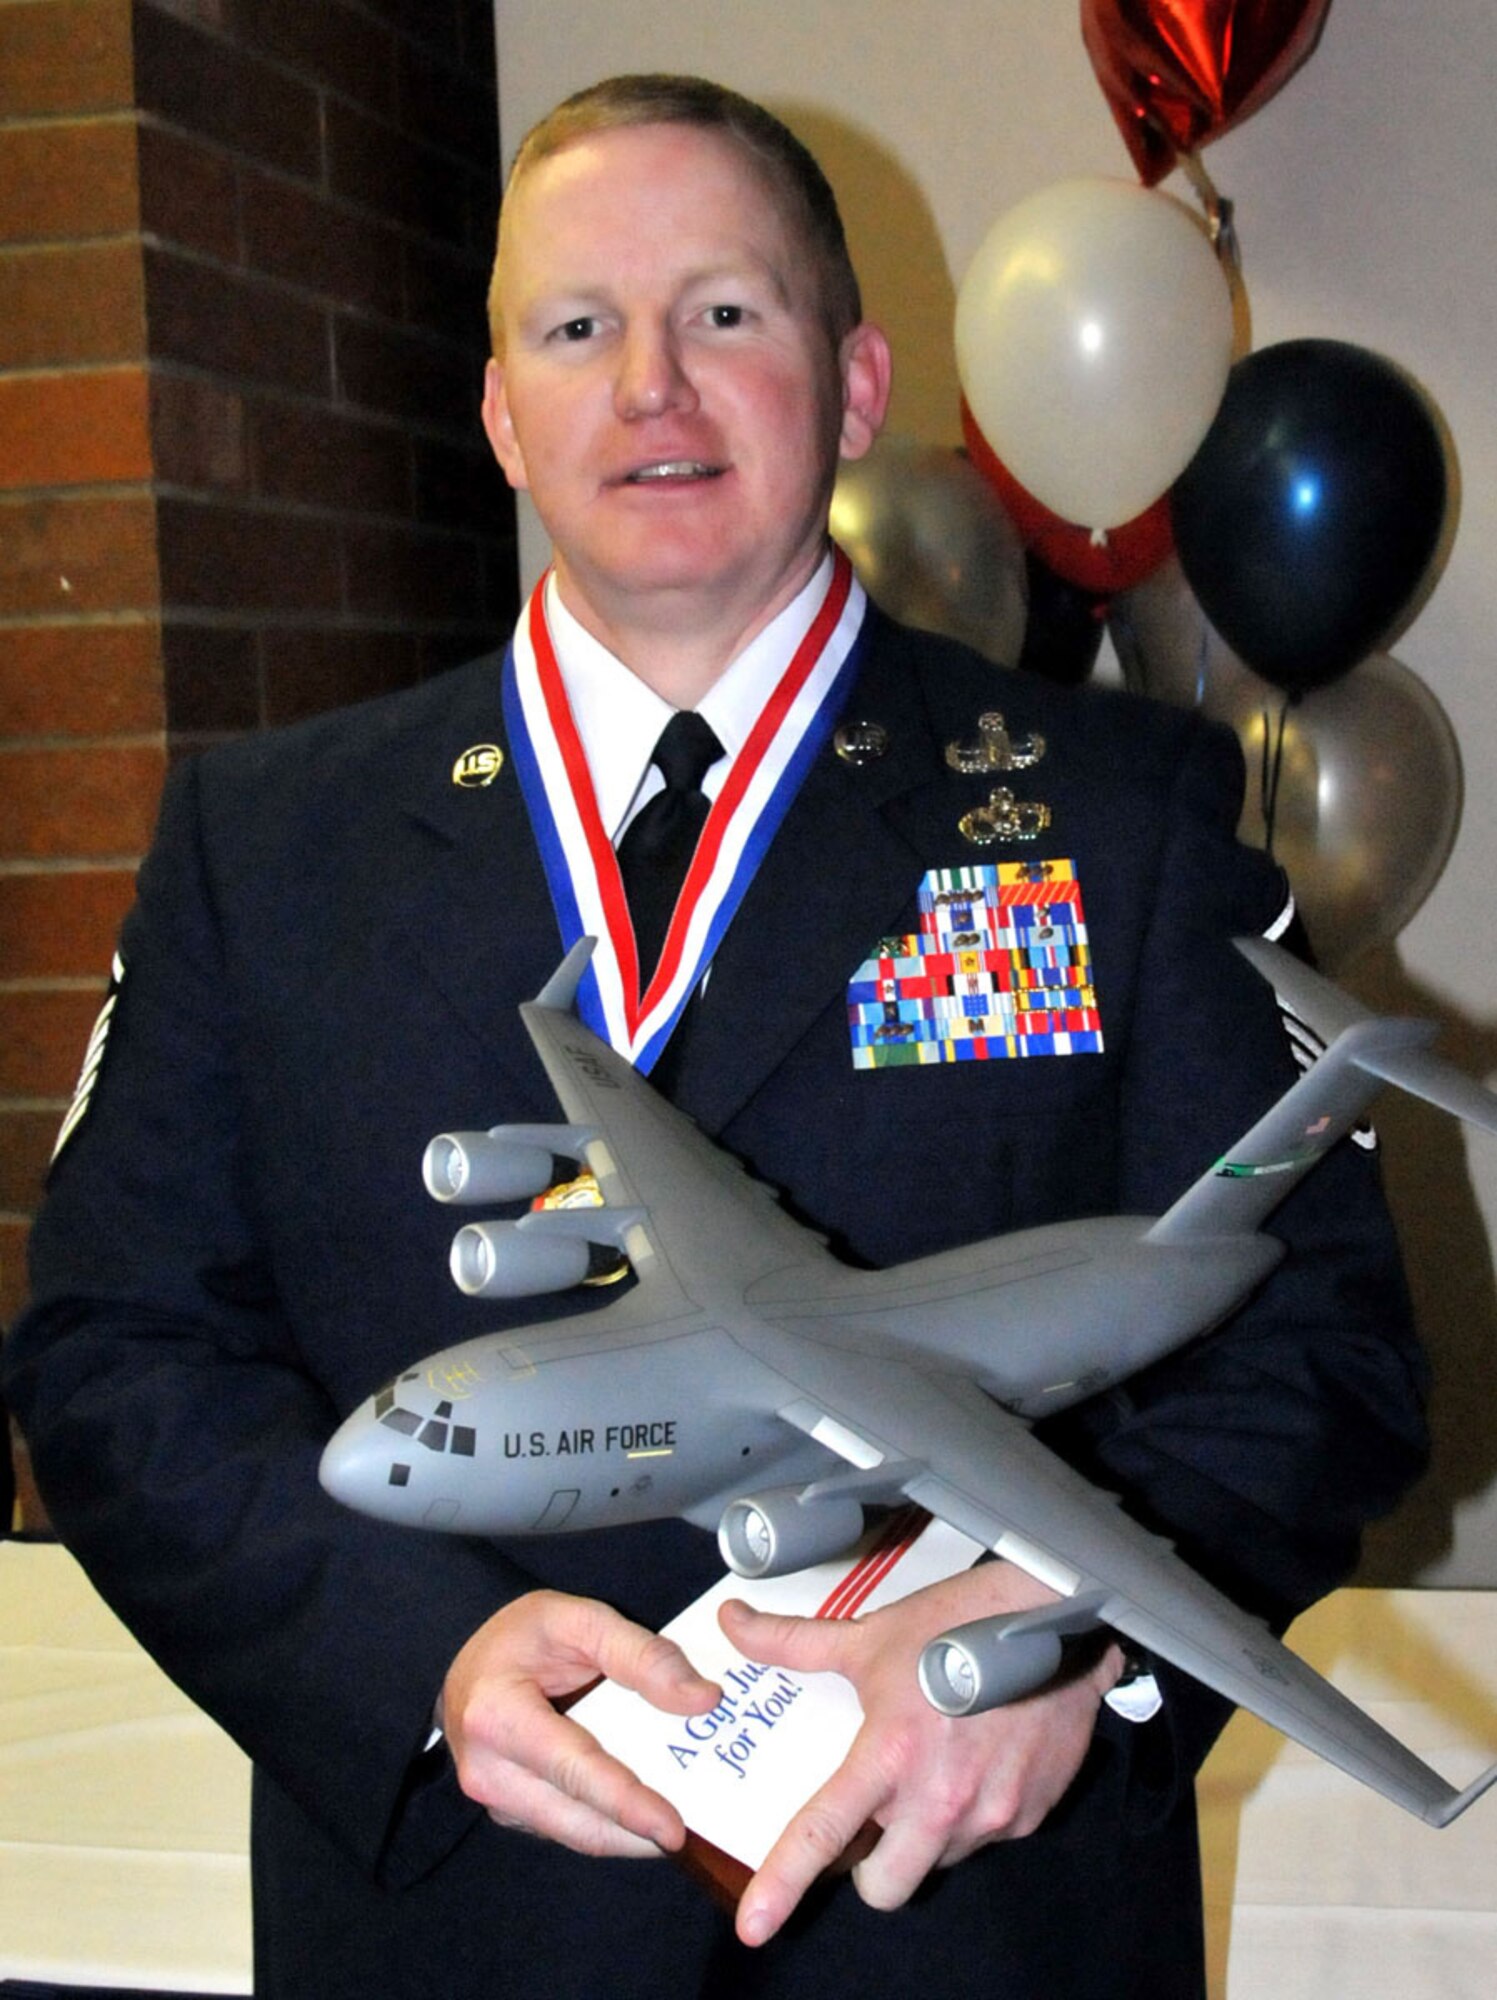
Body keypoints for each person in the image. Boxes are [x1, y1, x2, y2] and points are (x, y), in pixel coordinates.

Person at [4, 74, 1425, 2000]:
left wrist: (1055, 1632)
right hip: (463, 1923)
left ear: (852, 383)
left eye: (725, 314)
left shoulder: (1119, 815)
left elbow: (1321, 1350)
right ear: (500, 407)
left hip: (972, 1924)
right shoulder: (268, 847)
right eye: (575, 327)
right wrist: (411, 1660)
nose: (648, 386)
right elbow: (114, 1353)